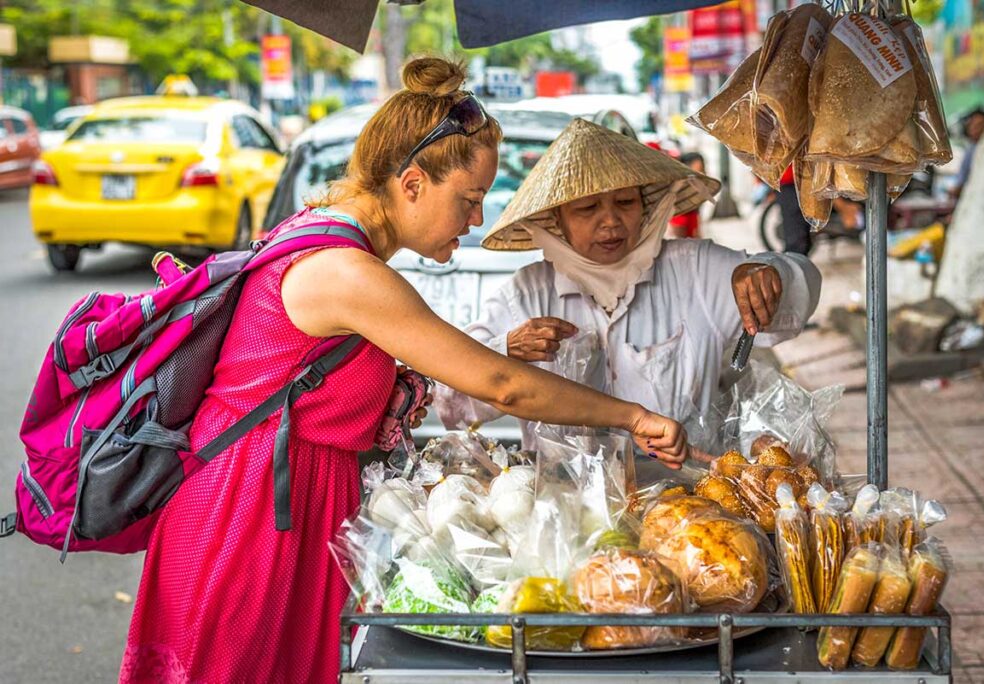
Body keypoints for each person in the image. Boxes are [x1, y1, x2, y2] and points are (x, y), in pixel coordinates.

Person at [119, 58, 685, 684]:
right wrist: (632, 415)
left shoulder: (327, 241)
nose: (476, 221)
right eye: (469, 201)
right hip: (248, 521)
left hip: (287, 508)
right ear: (412, 183)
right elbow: (502, 385)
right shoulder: (346, 273)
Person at [434, 119, 822, 451]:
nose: (611, 223)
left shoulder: (696, 270)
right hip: (568, 516)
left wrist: (769, 274)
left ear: (646, 207)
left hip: (690, 513)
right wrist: (506, 352)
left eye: (625, 203)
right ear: (557, 221)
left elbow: (800, 292)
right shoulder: (525, 295)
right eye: (587, 209)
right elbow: (451, 406)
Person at [949, 106, 984, 199]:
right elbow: (960, 181)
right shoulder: (971, 148)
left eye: (979, 125)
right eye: (971, 125)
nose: (974, 129)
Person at [667, 151, 706, 239]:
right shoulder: (679, 186)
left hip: (692, 217)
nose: (701, 173)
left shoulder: (699, 185)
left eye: (702, 169)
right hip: (682, 218)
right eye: (698, 170)